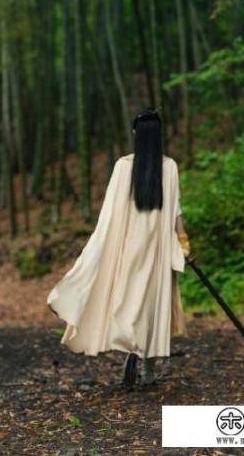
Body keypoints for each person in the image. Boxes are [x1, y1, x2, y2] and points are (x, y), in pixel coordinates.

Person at [46, 108, 191, 386]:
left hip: (128, 247)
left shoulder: (124, 166)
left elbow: (111, 213)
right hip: (157, 250)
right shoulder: (169, 166)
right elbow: (176, 212)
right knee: (152, 306)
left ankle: (132, 347)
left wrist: (104, 247)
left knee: (127, 300)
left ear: (136, 134)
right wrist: (183, 241)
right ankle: (147, 367)